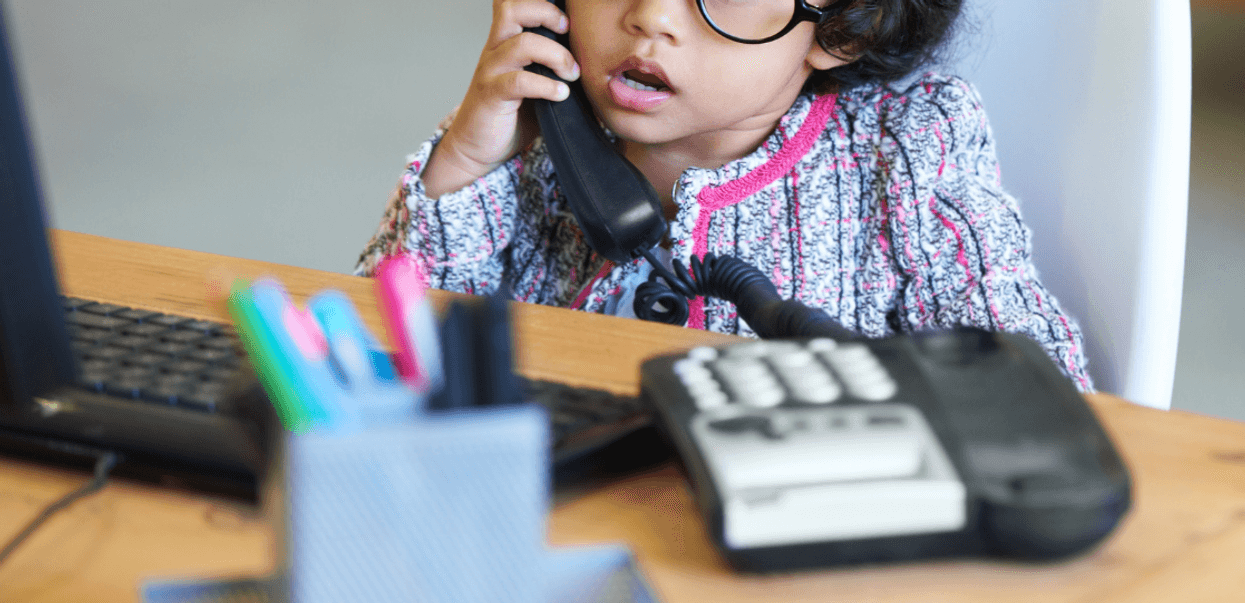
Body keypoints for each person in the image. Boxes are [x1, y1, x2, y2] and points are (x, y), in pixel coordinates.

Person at [355, 0, 1093, 389]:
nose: (651, 15)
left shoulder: (906, 149)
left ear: (846, 25)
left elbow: (1031, 378)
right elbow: (376, 363)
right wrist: (465, 164)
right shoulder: (519, 133)